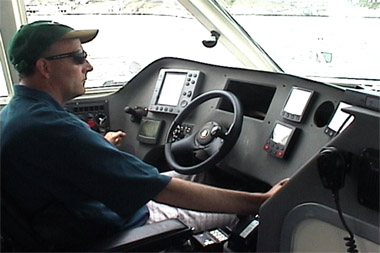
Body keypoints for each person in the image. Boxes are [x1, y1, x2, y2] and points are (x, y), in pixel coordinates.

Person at [0, 21, 288, 249]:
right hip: (120, 225)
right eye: (78, 58)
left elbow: (67, 162)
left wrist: (98, 145)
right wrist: (262, 199)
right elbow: (160, 189)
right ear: (44, 67)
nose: (88, 66)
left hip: (79, 216)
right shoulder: (53, 129)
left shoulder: (18, 114)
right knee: (248, 213)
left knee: (198, 174)